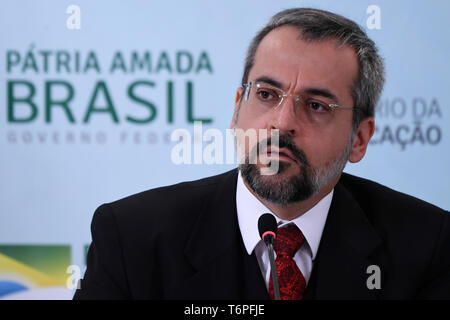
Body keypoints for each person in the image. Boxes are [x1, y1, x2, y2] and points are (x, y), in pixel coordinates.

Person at [73, 8, 450, 300]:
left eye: (317, 105)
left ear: (359, 139)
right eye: (267, 95)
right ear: (237, 109)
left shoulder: (426, 246)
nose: (282, 123)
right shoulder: (133, 238)